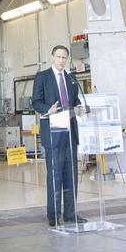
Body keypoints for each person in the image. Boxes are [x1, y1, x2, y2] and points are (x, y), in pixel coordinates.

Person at [31, 44, 86, 228]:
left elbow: (75, 100)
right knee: (55, 175)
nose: (61, 60)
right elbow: (35, 102)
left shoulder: (71, 78)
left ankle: (70, 214)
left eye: (64, 57)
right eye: (59, 57)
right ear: (52, 57)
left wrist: (79, 107)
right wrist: (48, 109)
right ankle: (54, 215)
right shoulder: (42, 77)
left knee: (71, 175)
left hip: (70, 131)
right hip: (53, 131)